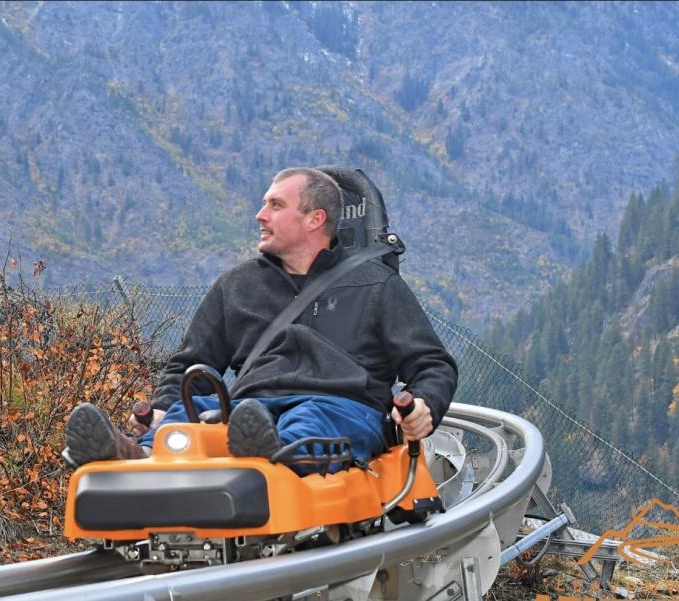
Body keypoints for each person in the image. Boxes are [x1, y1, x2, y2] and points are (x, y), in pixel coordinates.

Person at [63, 167, 457, 472]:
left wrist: (424, 405)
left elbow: (432, 365)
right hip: (250, 408)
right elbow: (188, 361)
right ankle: (140, 456)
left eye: (275, 205)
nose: (259, 215)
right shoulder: (237, 287)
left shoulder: (376, 286)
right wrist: (164, 407)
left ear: (314, 219)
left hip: (340, 404)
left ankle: (272, 459)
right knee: (194, 410)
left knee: (311, 418)